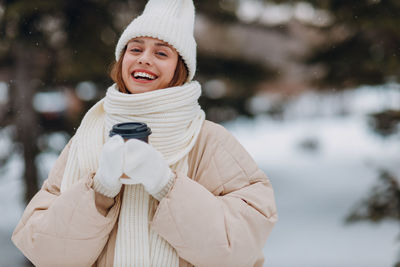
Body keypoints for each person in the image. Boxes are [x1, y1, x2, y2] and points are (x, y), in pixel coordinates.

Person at [11, 0, 277, 266]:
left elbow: (237, 250)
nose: (144, 58)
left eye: (161, 53)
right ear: (122, 59)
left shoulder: (208, 140)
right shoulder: (86, 139)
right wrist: (99, 190)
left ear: (179, 69)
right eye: (135, 48)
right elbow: (47, 254)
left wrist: (166, 184)